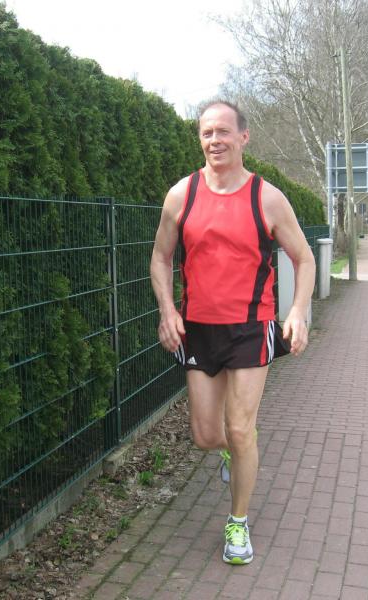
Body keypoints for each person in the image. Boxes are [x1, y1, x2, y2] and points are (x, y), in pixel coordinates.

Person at [150, 100, 315, 565]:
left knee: (240, 428)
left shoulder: (267, 198)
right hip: (199, 330)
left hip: (250, 328)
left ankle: (238, 522)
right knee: (207, 435)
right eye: (206, 133)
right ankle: (233, 452)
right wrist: (167, 310)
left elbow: (304, 257)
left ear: (244, 137)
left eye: (223, 131)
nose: (214, 140)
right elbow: (160, 258)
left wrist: (298, 311)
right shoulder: (181, 195)